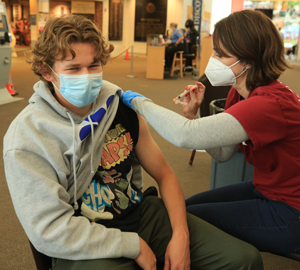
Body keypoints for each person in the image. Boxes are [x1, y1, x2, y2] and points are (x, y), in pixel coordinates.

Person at [3, 15, 263, 270]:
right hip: (82, 235)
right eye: (73, 69)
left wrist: (181, 236)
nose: (87, 76)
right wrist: (133, 245)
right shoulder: (27, 137)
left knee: (243, 259)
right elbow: (49, 230)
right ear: (47, 73)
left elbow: (165, 174)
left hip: (140, 214)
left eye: (94, 66)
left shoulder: (120, 105)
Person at [122, 9, 300, 256]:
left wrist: (137, 101)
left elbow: (185, 136)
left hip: (291, 211)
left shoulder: (269, 104)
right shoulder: (238, 91)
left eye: (221, 54)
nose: (212, 59)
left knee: (190, 220)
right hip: (266, 189)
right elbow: (223, 153)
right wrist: (196, 114)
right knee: (184, 210)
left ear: (247, 60)